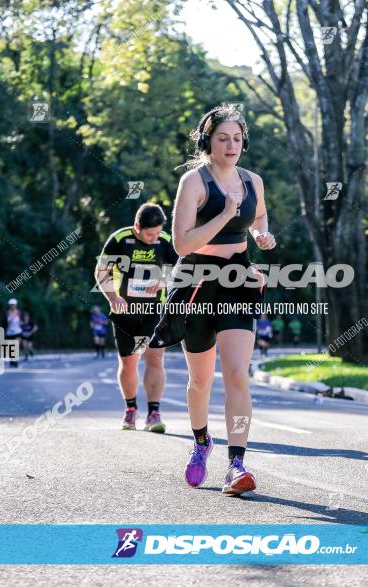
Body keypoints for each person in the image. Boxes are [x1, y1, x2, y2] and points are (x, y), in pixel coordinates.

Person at [149, 104, 276, 495]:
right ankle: (202, 441)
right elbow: (182, 243)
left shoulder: (253, 180)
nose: (231, 145)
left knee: (238, 373)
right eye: (223, 138)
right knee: (201, 380)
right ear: (208, 142)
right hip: (196, 283)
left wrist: (261, 236)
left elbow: (259, 218)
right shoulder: (194, 182)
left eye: (237, 138)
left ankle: (237, 464)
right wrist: (224, 216)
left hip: (238, 277)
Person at [94, 203, 177, 433]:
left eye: (158, 232)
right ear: (137, 227)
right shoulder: (120, 239)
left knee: (155, 357)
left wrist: (162, 282)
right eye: (150, 234)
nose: (154, 238)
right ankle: (131, 409)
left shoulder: (165, 241)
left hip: (154, 311)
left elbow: (180, 269)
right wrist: (112, 297)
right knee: (129, 362)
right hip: (125, 313)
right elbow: (101, 272)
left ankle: (153, 413)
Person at [2, 298, 22, 368]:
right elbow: (3, 323)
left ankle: (15, 361)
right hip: (9, 332)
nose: (12, 306)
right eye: (11, 305)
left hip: (18, 332)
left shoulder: (19, 313)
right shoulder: (7, 313)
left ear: (16, 305)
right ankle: (11, 360)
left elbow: (22, 322)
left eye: (14, 305)